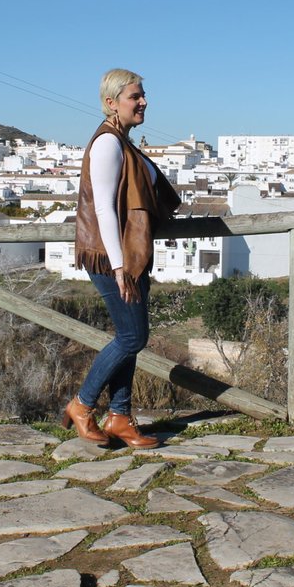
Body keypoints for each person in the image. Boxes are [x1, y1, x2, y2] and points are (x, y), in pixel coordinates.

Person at [62, 68, 180, 449]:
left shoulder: (123, 142)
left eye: (143, 94)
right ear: (111, 103)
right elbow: (105, 212)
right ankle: (82, 405)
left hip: (128, 257)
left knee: (130, 337)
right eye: (135, 96)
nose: (143, 101)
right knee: (133, 336)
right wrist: (118, 268)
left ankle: (120, 417)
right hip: (111, 259)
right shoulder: (107, 145)